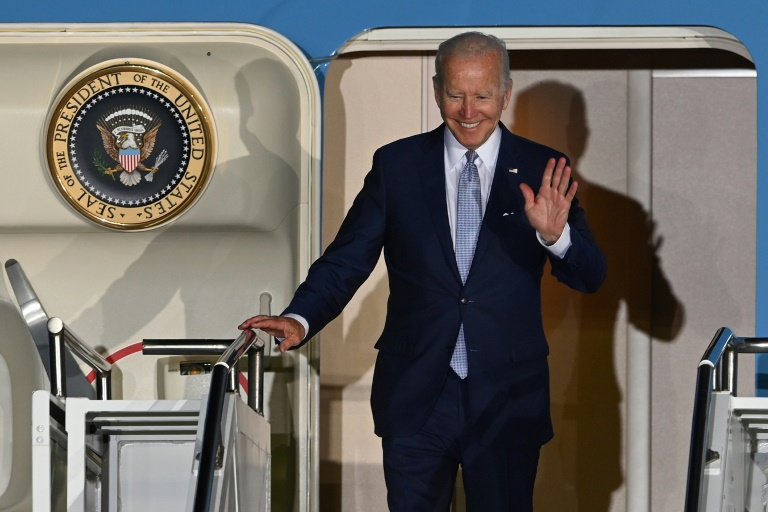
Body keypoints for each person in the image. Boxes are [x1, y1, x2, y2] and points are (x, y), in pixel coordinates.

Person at [240, 31, 606, 512]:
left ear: (505, 94)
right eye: (455, 95)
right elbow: (348, 258)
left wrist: (556, 238)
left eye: (482, 96)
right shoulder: (397, 165)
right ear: (436, 91)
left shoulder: (544, 169)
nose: (468, 111)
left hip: (507, 399)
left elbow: (590, 276)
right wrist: (299, 318)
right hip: (416, 397)